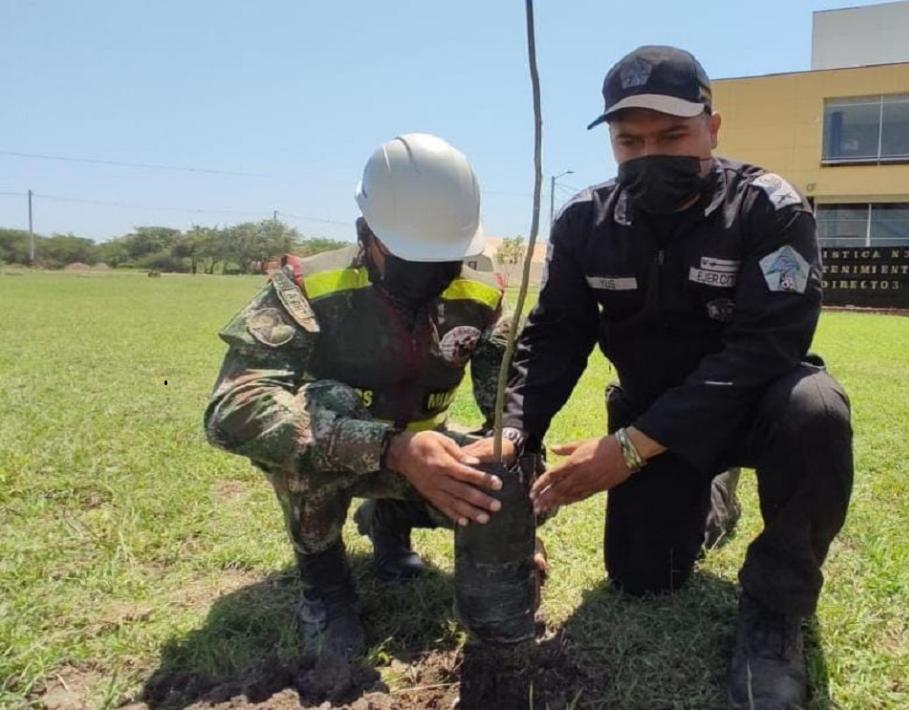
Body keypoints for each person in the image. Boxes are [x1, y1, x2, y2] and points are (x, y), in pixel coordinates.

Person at [465, 46, 854, 708]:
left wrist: (624, 450)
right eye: (630, 140)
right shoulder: (588, 221)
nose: (651, 153)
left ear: (713, 127)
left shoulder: (768, 208)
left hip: (758, 409)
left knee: (816, 409)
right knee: (644, 577)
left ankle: (773, 614)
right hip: (654, 419)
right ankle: (712, 495)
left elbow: (767, 346)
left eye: (672, 135)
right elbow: (556, 334)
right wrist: (513, 427)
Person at [204, 133, 514, 663]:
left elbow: (510, 401)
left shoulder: (482, 291)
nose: (433, 274)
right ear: (365, 233)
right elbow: (234, 408)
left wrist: (508, 468)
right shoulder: (309, 286)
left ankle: (386, 523)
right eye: (412, 256)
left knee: (505, 477)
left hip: (427, 453)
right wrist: (389, 448)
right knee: (319, 416)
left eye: (447, 258)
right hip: (341, 455)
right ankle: (325, 586)